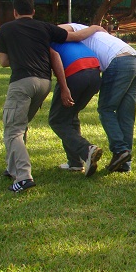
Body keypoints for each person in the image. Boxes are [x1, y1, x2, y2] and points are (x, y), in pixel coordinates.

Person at [0, 0, 104, 193]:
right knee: (20, 125)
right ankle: (12, 168)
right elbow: (75, 37)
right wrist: (95, 27)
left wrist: (19, 55)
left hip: (22, 82)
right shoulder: (44, 27)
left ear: (14, 12)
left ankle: (23, 177)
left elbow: (3, 61)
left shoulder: (6, 28)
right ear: (33, 11)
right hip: (44, 83)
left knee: (13, 129)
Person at [58, 23, 136, 173]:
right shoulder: (91, 32)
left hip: (118, 61)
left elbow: (61, 33)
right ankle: (124, 163)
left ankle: (120, 150)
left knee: (106, 109)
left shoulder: (73, 29)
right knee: (126, 114)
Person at [48, 42, 102, 177]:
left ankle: (87, 150)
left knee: (57, 120)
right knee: (70, 115)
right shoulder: (64, 37)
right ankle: (75, 163)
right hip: (95, 73)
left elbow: (55, 61)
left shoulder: (44, 41)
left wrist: (64, 88)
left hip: (75, 73)